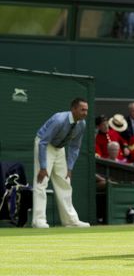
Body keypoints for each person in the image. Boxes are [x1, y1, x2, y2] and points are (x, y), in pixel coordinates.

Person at [32, 98, 90, 228]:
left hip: (59, 148)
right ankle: (38, 220)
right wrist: (43, 167)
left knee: (65, 182)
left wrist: (69, 167)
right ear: (73, 109)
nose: (85, 113)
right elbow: (43, 142)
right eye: (82, 110)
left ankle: (70, 220)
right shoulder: (59, 120)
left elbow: (75, 147)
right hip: (44, 145)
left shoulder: (82, 124)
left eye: (86, 110)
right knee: (42, 183)